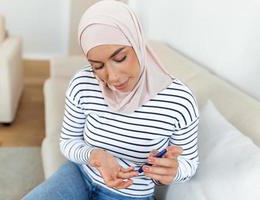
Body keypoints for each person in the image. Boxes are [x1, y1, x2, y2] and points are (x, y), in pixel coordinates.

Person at [23, 0, 199, 199]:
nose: (112, 77)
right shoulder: (83, 84)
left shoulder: (179, 100)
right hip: (79, 175)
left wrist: (172, 171)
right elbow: (68, 141)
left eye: (120, 58)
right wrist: (94, 155)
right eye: (98, 66)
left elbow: (189, 164)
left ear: (137, 42)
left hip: (130, 195)